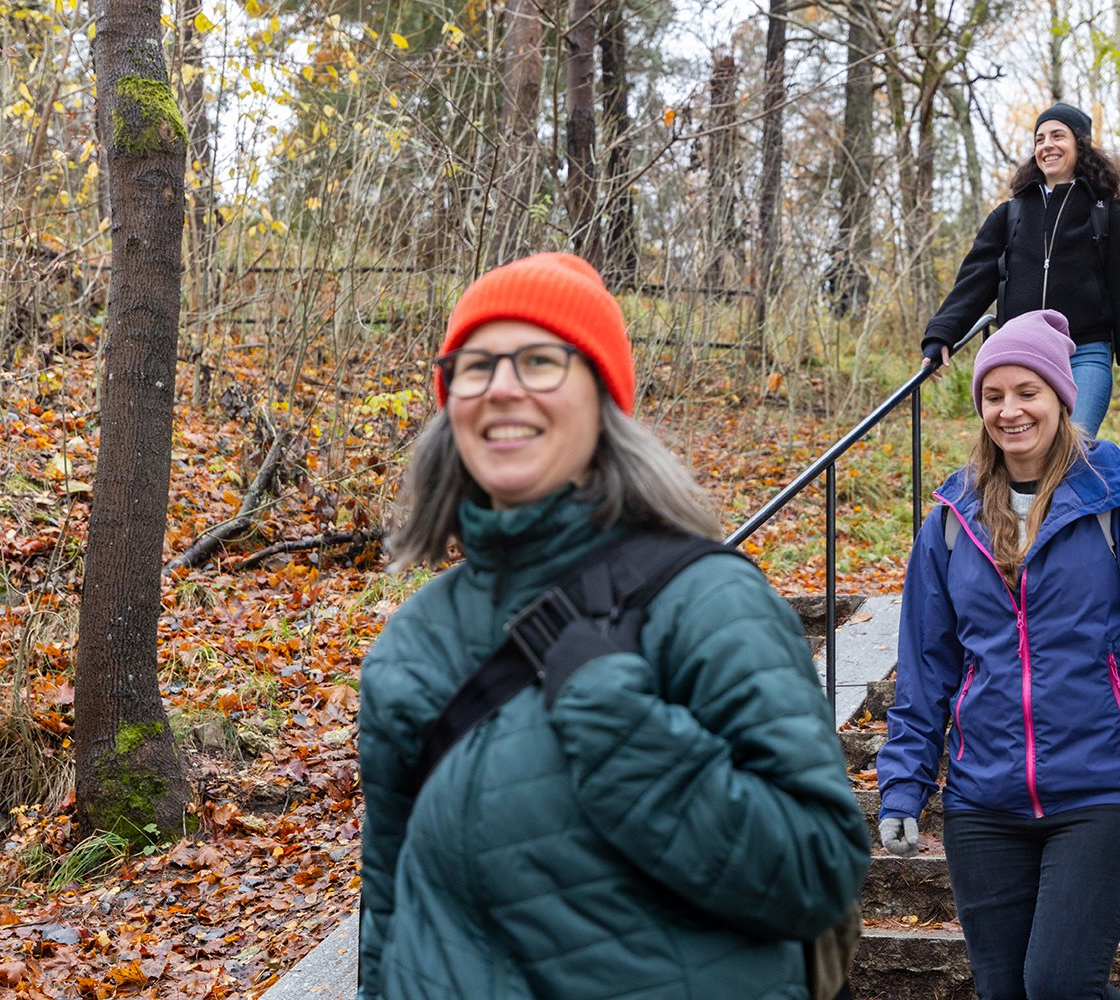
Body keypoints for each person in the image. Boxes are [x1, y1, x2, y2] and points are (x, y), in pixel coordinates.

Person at [356, 252, 869, 999]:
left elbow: (817, 868)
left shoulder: (705, 601)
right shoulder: (410, 650)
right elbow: (389, 917)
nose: (502, 387)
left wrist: (616, 718)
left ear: (602, 399)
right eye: (475, 366)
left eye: (539, 361)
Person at [876, 310, 1120, 1000]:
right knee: (1005, 993)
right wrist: (905, 780)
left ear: (1062, 397)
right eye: (994, 395)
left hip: (1105, 787)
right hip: (983, 800)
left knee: (1059, 984)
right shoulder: (950, 518)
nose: (1010, 411)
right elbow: (925, 669)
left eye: (1027, 392)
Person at [920, 103, 1120, 438]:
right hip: (1022, 357)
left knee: (1073, 450)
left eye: (1058, 136)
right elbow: (974, 281)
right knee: (1030, 455)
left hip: (1085, 353)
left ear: (1080, 144)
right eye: (1040, 138)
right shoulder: (1010, 215)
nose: (1047, 145)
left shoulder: (1108, 214)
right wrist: (940, 334)